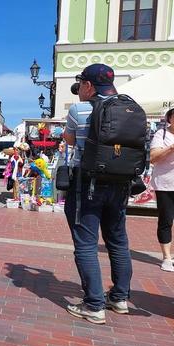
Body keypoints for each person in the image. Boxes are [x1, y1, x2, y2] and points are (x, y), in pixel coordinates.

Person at [63, 63, 134, 324]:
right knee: (118, 242)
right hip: (121, 185)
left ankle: (93, 305)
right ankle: (120, 298)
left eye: (81, 84)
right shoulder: (130, 107)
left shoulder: (80, 109)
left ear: (89, 86)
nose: (79, 89)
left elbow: (70, 140)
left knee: (86, 244)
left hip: (88, 183)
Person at [150, 108, 174, 272]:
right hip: (165, 184)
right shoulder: (162, 134)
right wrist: (171, 148)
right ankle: (166, 257)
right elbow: (153, 158)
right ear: (170, 118)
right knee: (166, 220)